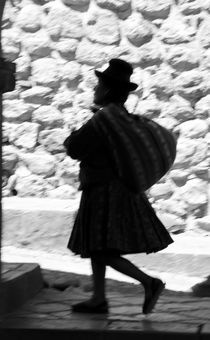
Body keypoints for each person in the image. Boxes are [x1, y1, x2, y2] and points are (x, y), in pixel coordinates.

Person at [63, 59, 174, 315]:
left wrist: (72, 136)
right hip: (118, 191)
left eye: (98, 85)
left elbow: (75, 148)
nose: (95, 90)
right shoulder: (122, 119)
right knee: (98, 247)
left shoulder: (103, 119)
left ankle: (149, 282)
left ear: (108, 90)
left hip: (104, 193)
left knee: (99, 249)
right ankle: (99, 298)